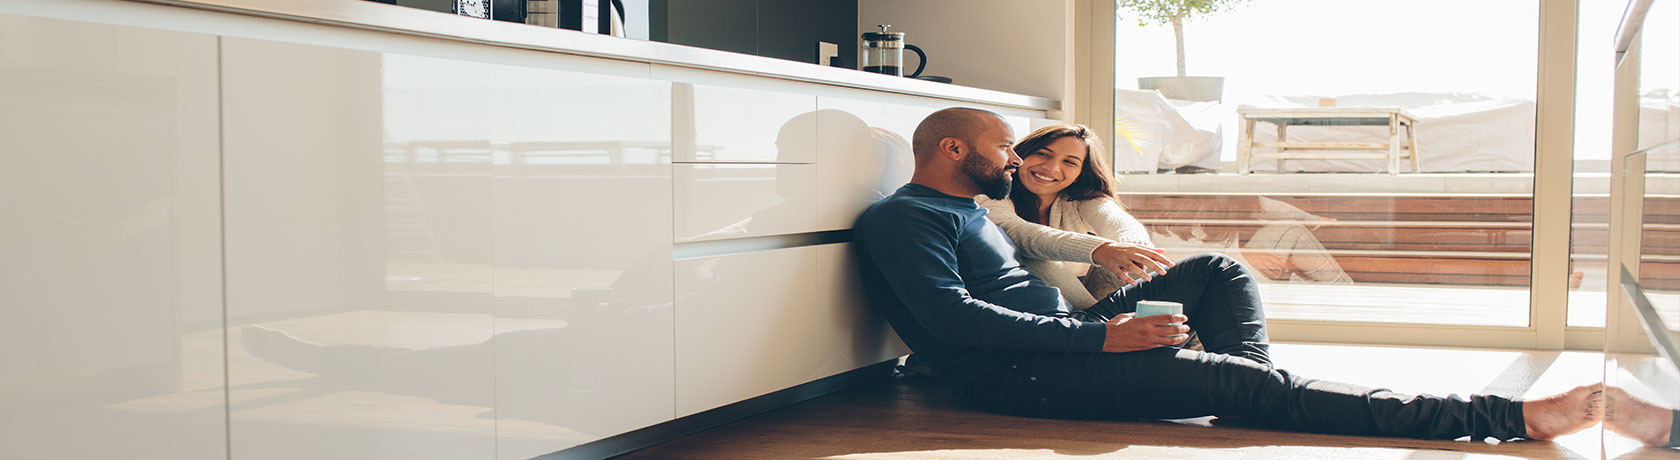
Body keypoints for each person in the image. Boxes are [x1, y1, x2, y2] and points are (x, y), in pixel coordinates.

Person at [851, 106, 1602, 441]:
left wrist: (1095, 324)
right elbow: (951, 321)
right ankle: (1503, 419)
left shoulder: (970, 210)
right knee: (1244, 385)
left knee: (1217, 268)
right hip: (1020, 375)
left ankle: (1245, 390)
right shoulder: (902, 218)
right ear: (951, 150)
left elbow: (1028, 252)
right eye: (1006, 148)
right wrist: (1101, 343)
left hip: (1062, 338)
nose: (1016, 161)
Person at [976, 124, 1168, 309]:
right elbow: (1017, 232)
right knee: (1037, 259)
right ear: (1021, 155)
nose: (1051, 167)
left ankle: (1162, 329)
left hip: (1082, 296)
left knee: (1140, 262)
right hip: (1016, 300)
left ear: (1079, 173)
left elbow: (1118, 223)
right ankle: (1100, 324)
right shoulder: (991, 195)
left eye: (1069, 162)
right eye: (1043, 154)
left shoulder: (1080, 200)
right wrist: (1099, 249)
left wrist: (1133, 249)